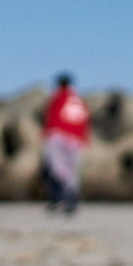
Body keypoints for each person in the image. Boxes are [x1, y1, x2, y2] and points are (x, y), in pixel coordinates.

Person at [40, 72, 91, 215]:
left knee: (56, 167)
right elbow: (85, 121)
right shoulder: (79, 100)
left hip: (59, 135)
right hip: (76, 139)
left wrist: (47, 135)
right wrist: (84, 140)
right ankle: (71, 199)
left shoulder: (58, 97)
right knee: (72, 170)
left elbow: (52, 117)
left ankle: (58, 198)